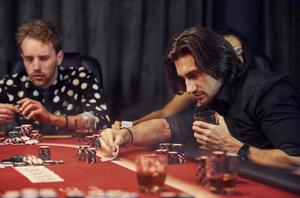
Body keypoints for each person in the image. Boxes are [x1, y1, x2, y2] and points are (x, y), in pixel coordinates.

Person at [100, 26, 300, 169]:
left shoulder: (269, 90)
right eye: (184, 78)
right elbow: (167, 126)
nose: (189, 88)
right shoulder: (210, 97)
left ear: (218, 63)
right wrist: (127, 135)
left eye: (194, 75)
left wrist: (236, 148)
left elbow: (296, 162)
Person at [111, 28, 249, 129]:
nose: (232, 58)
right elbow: (166, 113)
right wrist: (128, 126)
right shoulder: (197, 85)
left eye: (238, 52)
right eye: (227, 52)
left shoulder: (254, 90)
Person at [0, 19, 111, 133]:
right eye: (29, 59)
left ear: (59, 58)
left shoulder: (82, 78)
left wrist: (51, 119)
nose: (36, 67)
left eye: (44, 58)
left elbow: (101, 121)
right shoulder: (10, 85)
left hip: (70, 150)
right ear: (23, 58)